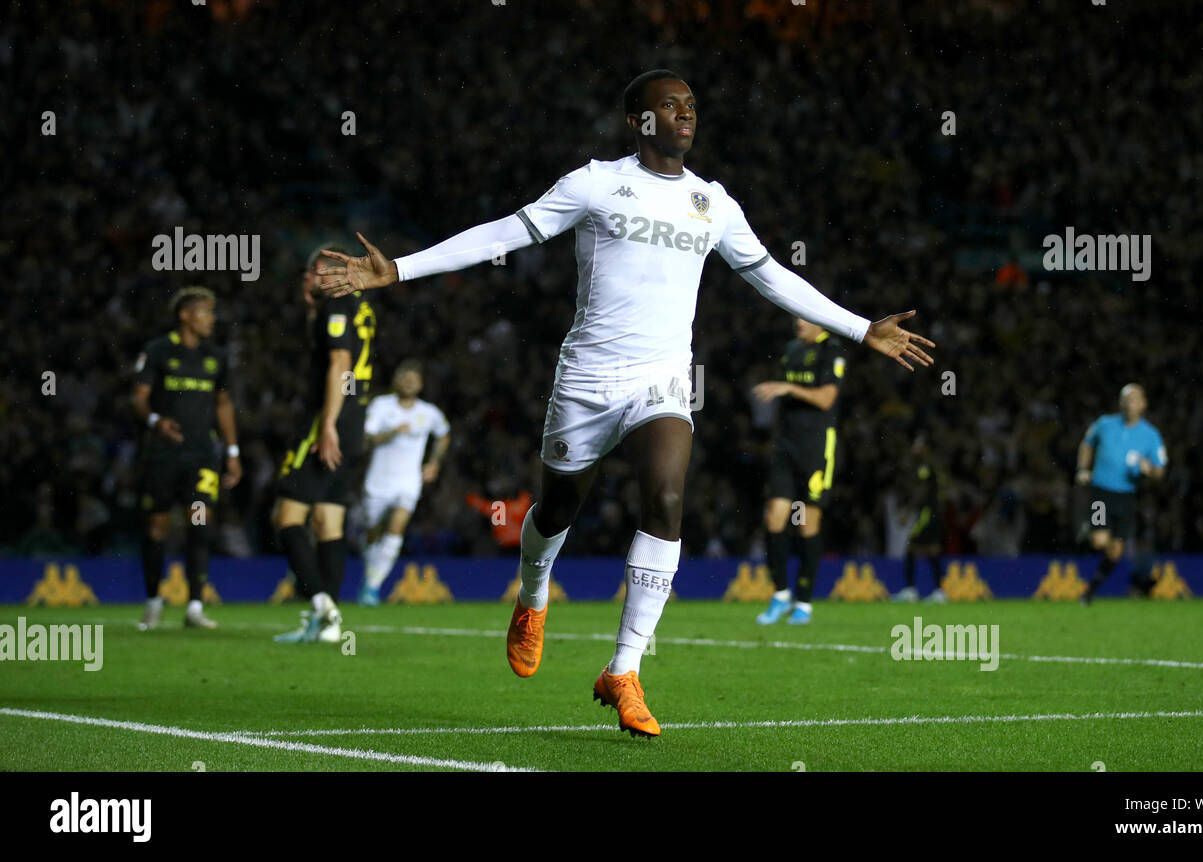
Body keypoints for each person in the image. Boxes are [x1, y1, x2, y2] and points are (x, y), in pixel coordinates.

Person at [317, 70, 935, 735]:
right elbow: (505, 233)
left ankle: (625, 669)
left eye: (692, 105)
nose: (685, 114)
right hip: (585, 381)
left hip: (661, 382)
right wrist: (399, 269)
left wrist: (860, 326)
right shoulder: (593, 183)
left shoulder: (713, 204)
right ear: (638, 120)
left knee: (668, 500)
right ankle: (532, 597)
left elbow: (773, 279)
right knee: (555, 510)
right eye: (669, 105)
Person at [272, 244, 376, 642]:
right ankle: (328, 623)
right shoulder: (361, 306)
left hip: (328, 421)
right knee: (329, 521)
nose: (307, 278)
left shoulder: (335, 306)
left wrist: (327, 423)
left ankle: (321, 605)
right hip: (355, 417)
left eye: (315, 271)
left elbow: (339, 363)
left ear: (334, 276)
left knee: (288, 517)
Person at [132, 286, 241, 631]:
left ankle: (194, 605)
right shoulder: (158, 351)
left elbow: (223, 404)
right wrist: (155, 421)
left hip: (202, 455)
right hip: (163, 454)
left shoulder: (216, 356)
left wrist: (233, 451)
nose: (211, 320)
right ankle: (152, 601)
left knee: (199, 522)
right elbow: (138, 397)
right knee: (158, 525)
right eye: (205, 313)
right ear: (185, 315)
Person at [753, 317, 847, 625]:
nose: (797, 321)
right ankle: (781, 594)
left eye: (803, 316)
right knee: (775, 517)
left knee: (807, 523)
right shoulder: (791, 350)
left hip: (817, 447)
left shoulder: (832, 351)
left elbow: (827, 398)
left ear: (820, 321)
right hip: (786, 445)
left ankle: (804, 602)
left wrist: (789, 388)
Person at [357, 360, 450, 605]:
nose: (409, 382)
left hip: (408, 482)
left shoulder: (428, 412)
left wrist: (434, 463)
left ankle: (372, 587)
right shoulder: (381, 405)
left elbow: (443, 435)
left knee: (396, 527)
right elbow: (369, 437)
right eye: (404, 378)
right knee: (373, 532)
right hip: (378, 481)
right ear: (396, 381)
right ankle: (369, 577)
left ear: (420, 385)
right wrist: (393, 432)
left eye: (413, 379)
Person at [1076, 383, 1167, 605]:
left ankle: (1089, 593)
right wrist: (1083, 469)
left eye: (1134, 399)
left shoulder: (1150, 435)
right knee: (1100, 542)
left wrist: (1149, 469)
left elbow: (1160, 470)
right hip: (1102, 492)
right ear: (1120, 403)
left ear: (1143, 404)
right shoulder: (1104, 424)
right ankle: (1089, 530)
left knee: (1115, 552)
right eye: (1126, 398)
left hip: (1126, 496)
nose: (1129, 403)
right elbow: (1087, 444)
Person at [893, 435, 947, 602]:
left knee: (913, 547)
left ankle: (911, 590)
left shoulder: (924, 467)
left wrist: (908, 511)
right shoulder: (932, 466)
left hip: (927, 512)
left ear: (926, 449)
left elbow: (922, 490)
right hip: (934, 511)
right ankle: (938, 591)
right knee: (931, 549)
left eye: (918, 445)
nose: (914, 448)